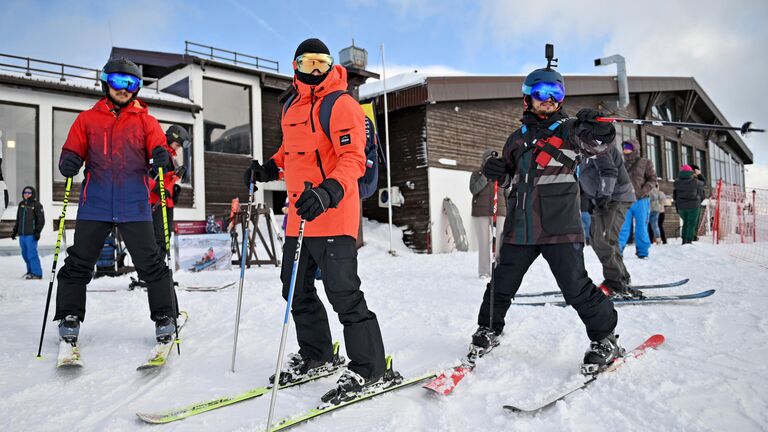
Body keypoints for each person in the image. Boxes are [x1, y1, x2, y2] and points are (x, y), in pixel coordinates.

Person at [243, 38, 389, 401]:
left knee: (343, 293)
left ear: (330, 66)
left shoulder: (341, 104)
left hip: (334, 214)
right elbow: (290, 152)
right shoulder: (291, 105)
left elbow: (353, 158)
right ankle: (317, 355)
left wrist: (327, 192)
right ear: (295, 66)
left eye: (321, 62)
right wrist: (267, 168)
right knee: (294, 288)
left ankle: (370, 369)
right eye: (307, 63)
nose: (315, 70)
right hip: (298, 217)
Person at [475, 50, 623, 374]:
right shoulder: (517, 140)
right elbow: (512, 178)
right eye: (541, 94)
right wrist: (495, 169)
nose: (548, 100)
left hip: (560, 225)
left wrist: (596, 125)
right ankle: (489, 328)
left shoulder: (572, 131)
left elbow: (600, 142)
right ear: (528, 98)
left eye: (555, 94)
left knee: (575, 286)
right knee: (501, 283)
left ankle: (605, 337)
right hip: (522, 227)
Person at [54, 57, 178, 345]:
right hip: (95, 203)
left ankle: (165, 315)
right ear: (106, 82)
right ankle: (69, 315)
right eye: (118, 82)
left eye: (131, 83)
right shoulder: (87, 119)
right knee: (79, 262)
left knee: (151, 263)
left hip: (134, 203)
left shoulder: (146, 121)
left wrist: (162, 156)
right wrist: (69, 161)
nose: (124, 89)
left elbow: (161, 151)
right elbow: (70, 151)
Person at [578, 144, 640, 298]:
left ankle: (616, 282)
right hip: (600, 199)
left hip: (616, 197)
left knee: (605, 238)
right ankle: (621, 277)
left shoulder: (597, 144)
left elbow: (609, 171)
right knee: (596, 238)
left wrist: (604, 195)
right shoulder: (581, 151)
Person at [469, 149, 506, 278]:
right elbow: (474, 189)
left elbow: (507, 193)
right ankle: (484, 271)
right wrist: (485, 177)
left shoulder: (502, 175)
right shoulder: (477, 174)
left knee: (500, 243)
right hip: (481, 212)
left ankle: (499, 269)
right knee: (484, 242)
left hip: (500, 211)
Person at [618, 139, 657, 258]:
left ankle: (642, 252)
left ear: (634, 148)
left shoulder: (645, 162)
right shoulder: (621, 164)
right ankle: (618, 251)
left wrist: (642, 191)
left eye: (628, 147)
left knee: (641, 227)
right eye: (624, 147)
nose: (625, 149)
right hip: (625, 200)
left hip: (642, 200)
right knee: (622, 227)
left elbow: (652, 179)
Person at [11, 185, 45, 279]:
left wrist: (37, 232)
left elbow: (41, 219)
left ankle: (37, 273)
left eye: (29, 192)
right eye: (25, 192)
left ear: (32, 194)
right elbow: (19, 219)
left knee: (32, 254)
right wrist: (15, 231)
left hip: (31, 234)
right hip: (22, 234)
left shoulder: (36, 204)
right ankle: (30, 271)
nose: (27, 194)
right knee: (25, 254)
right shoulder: (21, 204)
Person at [673, 165, 705, 245]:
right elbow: (704, 182)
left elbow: (675, 195)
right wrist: (699, 174)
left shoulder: (677, 182)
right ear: (690, 172)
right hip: (693, 206)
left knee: (685, 223)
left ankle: (684, 240)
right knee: (691, 223)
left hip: (682, 207)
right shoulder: (695, 181)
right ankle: (689, 240)